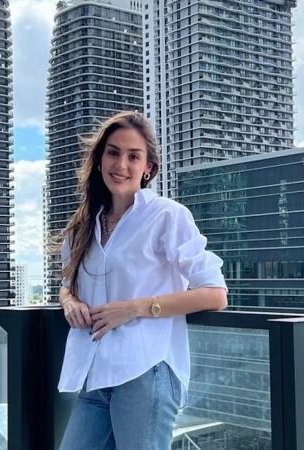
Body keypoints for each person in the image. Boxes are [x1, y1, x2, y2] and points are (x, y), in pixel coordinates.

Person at [55, 111, 228, 450]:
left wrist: (134, 308)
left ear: (148, 168)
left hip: (145, 371)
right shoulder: (83, 227)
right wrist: (69, 302)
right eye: (113, 152)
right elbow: (67, 284)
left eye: (133, 156)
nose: (121, 164)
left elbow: (215, 294)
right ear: (99, 159)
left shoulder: (166, 216)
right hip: (94, 372)